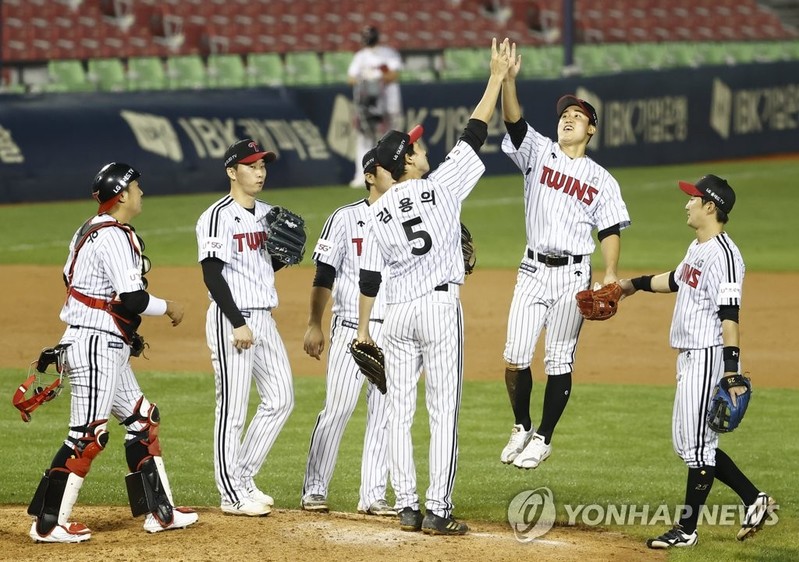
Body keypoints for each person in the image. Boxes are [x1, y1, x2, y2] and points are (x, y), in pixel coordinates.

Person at [354, 38, 512, 536]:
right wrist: (496, 79)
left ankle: (407, 506)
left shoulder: (373, 213)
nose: (425, 149)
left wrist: (365, 329)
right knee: (443, 410)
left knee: (397, 411)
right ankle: (439, 509)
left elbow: (369, 277)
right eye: (418, 147)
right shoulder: (442, 187)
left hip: (396, 314)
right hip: (440, 310)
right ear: (408, 162)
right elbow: (476, 130)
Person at [27, 162, 198, 543]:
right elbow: (134, 298)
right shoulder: (113, 236)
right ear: (122, 194)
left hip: (104, 341)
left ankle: (161, 513)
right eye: (137, 187)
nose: (141, 193)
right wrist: (170, 306)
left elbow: (84, 284)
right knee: (87, 435)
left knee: (142, 420)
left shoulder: (89, 230)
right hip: (94, 344)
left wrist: (118, 325)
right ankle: (48, 523)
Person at [618, 175, 777, 548]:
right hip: (690, 356)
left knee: (696, 447)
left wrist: (731, 370)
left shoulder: (724, 255)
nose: (686, 203)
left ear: (710, 207)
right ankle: (755, 500)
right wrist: (633, 285)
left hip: (708, 355)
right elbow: (676, 280)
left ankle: (687, 530)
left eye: (692, 198)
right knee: (691, 445)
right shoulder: (699, 247)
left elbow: (730, 313)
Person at [498, 44, 631, 470]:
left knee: (558, 359)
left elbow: (609, 229)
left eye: (577, 116)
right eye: (563, 115)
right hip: (532, 269)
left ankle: (544, 438)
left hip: (574, 275)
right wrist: (508, 79)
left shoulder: (601, 179)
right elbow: (514, 121)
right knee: (515, 356)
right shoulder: (538, 152)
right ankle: (521, 424)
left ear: (591, 129)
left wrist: (609, 272)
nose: (567, 118)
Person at [195, 139, 295, 517]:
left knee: (281, 398)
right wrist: (237, 322)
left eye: (263, 165)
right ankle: (230, 494)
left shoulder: (268, 213)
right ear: (232, 171)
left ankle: (244, 477)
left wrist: (282, 258)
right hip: (231, 318)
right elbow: (211, 273)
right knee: (232, 410)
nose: (260, 171)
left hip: (264, 318)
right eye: (252, 166)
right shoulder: (216, 216)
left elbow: (264, 266)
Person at [300, 149, 396, 516]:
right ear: (370, 175)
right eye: (389, 169)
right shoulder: (345, 217)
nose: (396, 173)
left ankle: (373, 494)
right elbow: (323, 274)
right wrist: (314, 323)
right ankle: (314, 488)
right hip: (350, 328)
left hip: (396, 330)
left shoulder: (406, 216)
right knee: (338, 408)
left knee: (385, 413)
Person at [347, 25, 403, 188]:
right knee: (364, 138)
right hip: (367, 104)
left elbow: (393, 75)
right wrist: (366, 80)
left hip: (388, 102)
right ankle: (361, 174)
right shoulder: (360, 56)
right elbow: (350, 78)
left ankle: (393, 173)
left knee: (390, 138)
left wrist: (376, 77)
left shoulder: (388, 53)